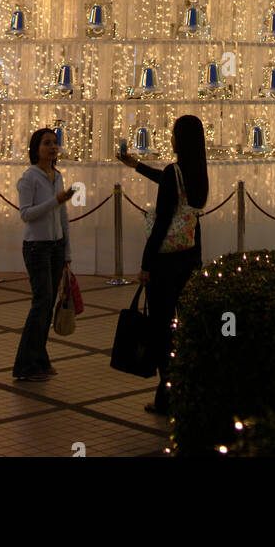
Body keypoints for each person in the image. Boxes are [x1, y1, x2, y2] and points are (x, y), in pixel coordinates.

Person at [121, 114, 208, 415]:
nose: (170, 138)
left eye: (173, 133)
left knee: (161, 328)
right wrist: (138, 166)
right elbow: (171, 185)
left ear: (179, 139)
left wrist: (146, 263)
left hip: (166, 261)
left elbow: (161, 223)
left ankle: (167, 395)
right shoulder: (198, 172)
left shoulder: (175, 171)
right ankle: (185, 390)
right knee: (181, 325)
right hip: (190, 255)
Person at [12, 128, 74, 382]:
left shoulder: (57, 176)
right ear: (36, 148)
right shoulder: (29, 178)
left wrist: (67, 251)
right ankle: (25, 364)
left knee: (47, 306)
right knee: (41, 303)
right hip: (37, 247)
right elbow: (26, 213)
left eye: (55, 143)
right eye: (46, 143)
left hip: (56, 246)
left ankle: (39, 358)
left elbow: (63, 217)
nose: (52, 147)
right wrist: (55, 200)